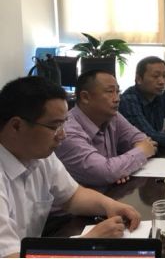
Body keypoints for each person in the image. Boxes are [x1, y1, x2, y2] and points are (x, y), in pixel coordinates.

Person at [0, 76, 142, 258]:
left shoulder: (40, 156)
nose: (62, 135)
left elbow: (73, 196)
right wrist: (87, 242)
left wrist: (111, 205)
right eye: (54, 126)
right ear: (16, 126)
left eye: (63, 124)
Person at [55, 70, 158, 188]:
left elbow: (145, 141)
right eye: (110, 92)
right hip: (83, 199)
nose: (117, 99)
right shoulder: (67, 131)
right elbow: (104, 173)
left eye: (118, 92)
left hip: (110, 193)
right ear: (85, 97)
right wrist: (117, 169)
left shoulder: (113, 116)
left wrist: (119, 169)